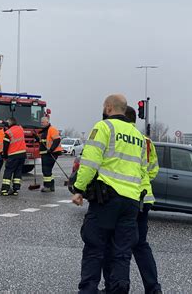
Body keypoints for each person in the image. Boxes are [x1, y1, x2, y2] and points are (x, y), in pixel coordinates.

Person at [72, 94, 147, 294]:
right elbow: (143, 170)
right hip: (131, 201)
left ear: (108, 107)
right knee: (122, 253)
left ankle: (88, 290)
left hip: (107, 198)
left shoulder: (104, 127)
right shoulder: (138, 136)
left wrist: (79, 189)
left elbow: (89, 162)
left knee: (94, 248)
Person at [102, 106, 162, 294]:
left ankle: (114, 286)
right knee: (141, 245)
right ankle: (153, 289)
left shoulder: (119, 136)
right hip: (144, 198)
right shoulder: (146, 141)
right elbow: (153, 169)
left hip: (124, 197)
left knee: (113, 245)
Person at [0, 117, 27, 196]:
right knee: (18, 172)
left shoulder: (8, 132)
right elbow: (12, 124)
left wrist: (4, 156)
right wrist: (5, 121)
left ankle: (5, 190)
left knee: (8, 171)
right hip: (22, 154)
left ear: (9, 124)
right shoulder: (20, 129)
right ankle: (16, 190)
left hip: (13, 155)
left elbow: (5, 146)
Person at [34, 117, 63, 192]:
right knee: (48, 170)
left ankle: (47, 186)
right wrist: (37, 139)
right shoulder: (45, 131)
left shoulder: (52, 129)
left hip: (51, 153)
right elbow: (43, 142)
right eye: (41, 122)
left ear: (47, 122)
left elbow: (57, 140)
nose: (41, 124)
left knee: (46, 170)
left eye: (43, 122)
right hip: (46, 153)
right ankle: (51, 186)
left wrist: (51, 149)